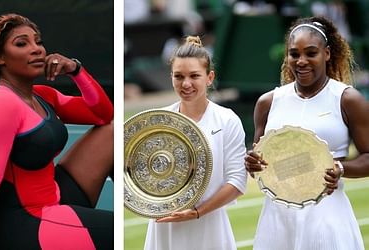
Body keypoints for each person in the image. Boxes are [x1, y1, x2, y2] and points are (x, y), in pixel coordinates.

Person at [0, 14, 114, 250]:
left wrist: (76, 69)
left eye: (38, 42)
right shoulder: (0, 103)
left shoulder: (42, 96)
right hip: (24, 223)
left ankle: (147, 201)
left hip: (53, 199)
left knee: (112, 133)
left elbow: (103, 115)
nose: (36, 49)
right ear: (0, 58)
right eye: (22, 43)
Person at [244, 16, 369, 250]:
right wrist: (252, 163)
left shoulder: (347, 98)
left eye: (311, 53)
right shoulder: (268, 102)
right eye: (294, 54)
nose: (301, 61)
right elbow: (260, 165)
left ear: (327, 54)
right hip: (277, 218)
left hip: (327, 214)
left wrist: (341, 169)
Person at [144, 36, 248, 250]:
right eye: (179, 76)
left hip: (209, 225)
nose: (186, 84)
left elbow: (237, 181)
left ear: (210, 77)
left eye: (194, 76)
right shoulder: (158, 121)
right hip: (164, 226)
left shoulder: (227, 120)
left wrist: (198, 212)